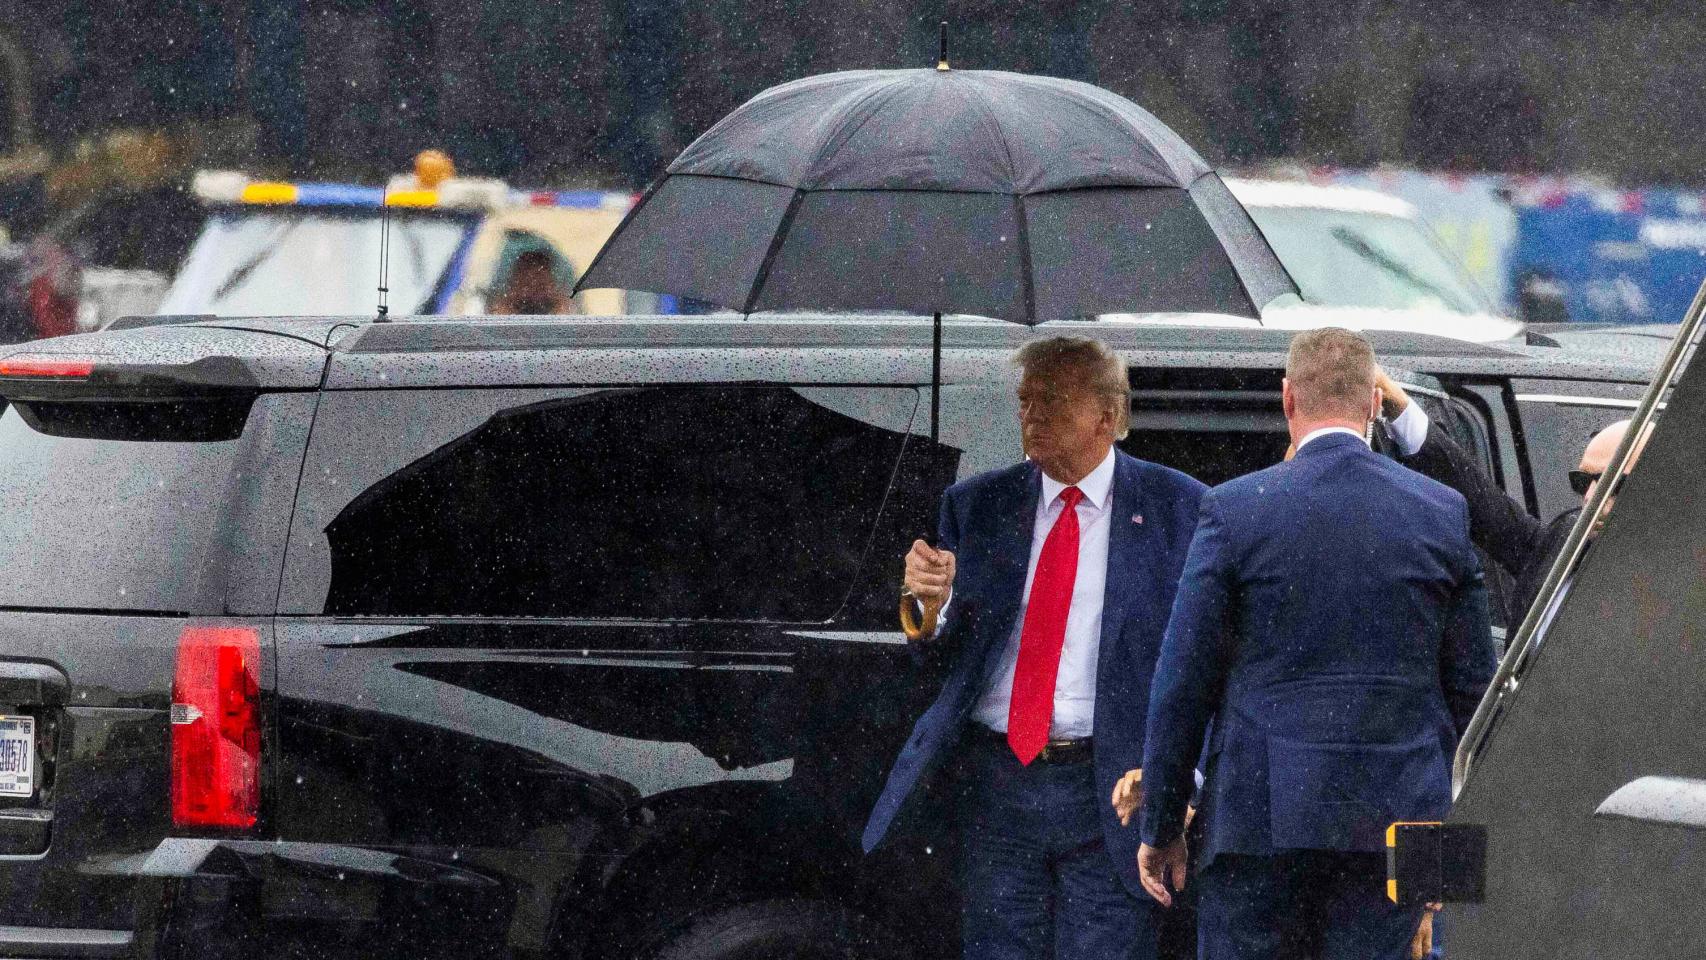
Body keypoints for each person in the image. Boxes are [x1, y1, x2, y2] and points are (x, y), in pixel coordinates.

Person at [1136, 328, 1498, 960]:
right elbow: (1475, 698)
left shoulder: (1235, 510)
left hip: (1260, 819)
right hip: (1397, 822)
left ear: (1287, 398)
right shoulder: (1441, 511)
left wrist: (1163, 824)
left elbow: (1182, 683)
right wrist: (1448, 862)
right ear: (1373, 404)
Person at [862, 336, 1208, 960]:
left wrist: (1181, 779)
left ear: (1108, 415)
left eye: (1052, 399)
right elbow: (937, 663)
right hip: (996, 785)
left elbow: (1205, 661)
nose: (1031, 413)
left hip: (1112, 788)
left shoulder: (1179, 508)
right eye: (1025, 399)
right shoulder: (978, 505)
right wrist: (929, 607)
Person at [1376, 369, 1645, 619]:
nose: (1590, 498)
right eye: (1582, 481)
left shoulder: (1662, 594)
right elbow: (1489, 511)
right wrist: (1398, 404)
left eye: (1613, 485)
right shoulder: (1564, 540)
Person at [489, 250, 576, 315]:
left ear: (552, 285)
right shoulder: (502, 311)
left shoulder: (563, 308)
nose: (534, 291)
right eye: (526, 285)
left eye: (541, 286)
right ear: (514, 286)